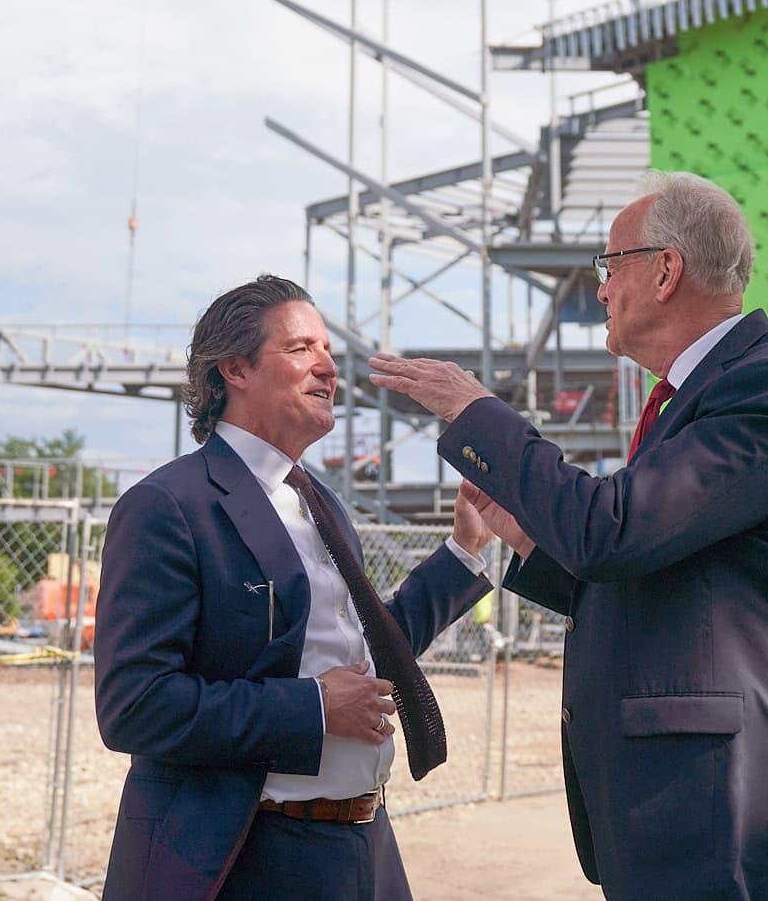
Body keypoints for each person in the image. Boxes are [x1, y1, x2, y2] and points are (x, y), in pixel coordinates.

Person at [371, 172, 768, 901]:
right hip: (693, 799)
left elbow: (614, 530)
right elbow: (656, 577)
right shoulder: (696, 398)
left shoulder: (766, 384)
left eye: (609, 265)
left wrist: (477, 413)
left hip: (735, 801)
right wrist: (529, 538)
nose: (600, 289)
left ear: (666, 270)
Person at [95, 275, 493, 901]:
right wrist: (312, 708)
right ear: (234, 368)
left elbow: (369, 655)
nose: (329, 367)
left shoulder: (319, 502)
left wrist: (463, 550)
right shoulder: (168, 506)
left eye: (328, 350)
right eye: (301, 348)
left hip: (364, 848)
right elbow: (135, 706)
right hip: (248, 857)